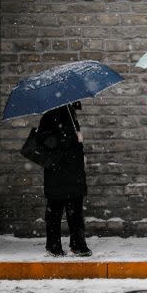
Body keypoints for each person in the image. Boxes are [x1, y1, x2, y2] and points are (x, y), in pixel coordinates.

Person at [37, 101, 91, 257]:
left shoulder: (69, 112)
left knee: (75, 210)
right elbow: (45, 141)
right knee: (55, 211)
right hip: (58, 171)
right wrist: (74, 139)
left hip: (73, 170)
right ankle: (54, 247)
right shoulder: (51, 115)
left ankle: (78, 245)